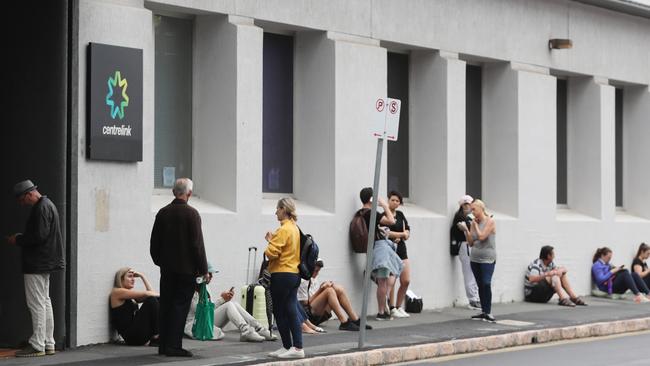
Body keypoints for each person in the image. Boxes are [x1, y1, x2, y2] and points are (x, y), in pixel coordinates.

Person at [150, 178, 208, 357]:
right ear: (189, 193)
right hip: (187, 270)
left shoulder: (162, 213)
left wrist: (161, 262)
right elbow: (197, 245)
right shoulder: (192, 214)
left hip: (167, 270)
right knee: (179, 307)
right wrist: (203, 269)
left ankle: (163, 345)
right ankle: (174, 346)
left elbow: (154, 244)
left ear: (173, 192)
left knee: (166, 305)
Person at [7, 180, 64, 357]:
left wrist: (18, 240)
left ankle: (37, 344)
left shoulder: (40, 209)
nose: (22, 204)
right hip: (46, 262)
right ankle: (48, 342)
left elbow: (38, 236)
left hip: (36, 263)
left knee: (36, 303)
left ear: (29, 194)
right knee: (44, 301)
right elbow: (42, 235)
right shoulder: (49, 205)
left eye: (22, 200)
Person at [184, 263, 275, 342]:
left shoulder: (206, 287)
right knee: (229, 305)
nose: (211, 277)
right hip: (195, 325)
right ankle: (246, 331)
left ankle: (258, 328)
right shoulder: (191, 290)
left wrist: (224, 299)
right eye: (210, 274)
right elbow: (199, 310)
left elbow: (209, 310)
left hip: (205, 321)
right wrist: (222, 300)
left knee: (234, 303)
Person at [264, 198, 304, 359]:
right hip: (294, 273)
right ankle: (292, 346)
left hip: (282, 273)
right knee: (291, 308)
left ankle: (292, 346)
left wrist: (269, 241)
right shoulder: (295, 228)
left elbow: (272, 252)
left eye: (277, 209)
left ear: (284, 209)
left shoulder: (284, 230)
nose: (276, 212)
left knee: (280, 311)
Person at [358, 187, 403, 321]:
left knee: (395, 270)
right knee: (384, 280)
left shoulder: (361, 212)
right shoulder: (371, 213)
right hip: (380, 249)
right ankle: (381, 312)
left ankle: (383, 301)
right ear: (371, 199)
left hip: (376, 248)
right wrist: (384, 205)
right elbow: (391, 221)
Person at [298, 258, 371, 331]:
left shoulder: (314, 278)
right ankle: (344, 322)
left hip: (316, 312)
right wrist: (321, 289)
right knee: (329, 291)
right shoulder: (303, 280)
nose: (317, 274)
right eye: (316, 271)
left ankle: (355, 319)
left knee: (338, 288)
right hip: (307, 317)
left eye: (318, 271)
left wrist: (325, 286)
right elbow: (306, 304)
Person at [458, 199, 496, 322]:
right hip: (475, 258)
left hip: (488, 258)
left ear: (481, 209)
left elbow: (482, 237)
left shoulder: (490, 221)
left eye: (474, 209)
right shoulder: (474, 222)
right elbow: (471, 242)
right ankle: (483, 311)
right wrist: (466, 230)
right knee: (480, 284)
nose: (472, 212)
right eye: (471, 209)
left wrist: (474, 225)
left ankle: (488, 311)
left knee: (486, 283)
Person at [109, 268, 160, 346]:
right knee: (151, 299)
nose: (133, 279)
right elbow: (149, 295)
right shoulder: (117, 292)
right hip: (132, 336)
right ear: (121, 279)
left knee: (154, 300)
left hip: (136, 333)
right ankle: (157, 336)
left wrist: (142, 276)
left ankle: (157, 336)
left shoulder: (129, 296)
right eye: (130, 276)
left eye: (133, 277)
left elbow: (152, 295)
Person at [450, 195, 481, 310]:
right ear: (462, 205)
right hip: (465, 245)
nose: (469, 206)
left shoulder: (471, 217)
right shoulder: (461, 218)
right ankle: (473, 299)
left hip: (473, 246)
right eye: (466, 204)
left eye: (470, 204)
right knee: (469, 273)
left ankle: (476, 297)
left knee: (475, 273)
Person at [386, 191, 411, 318]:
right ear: (388, 200)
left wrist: (406, 234)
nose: (395, 202)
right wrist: (399, 235)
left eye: (397, 201)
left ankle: (399, 306)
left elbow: (407, 228)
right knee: (392, 280)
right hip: (390, 249)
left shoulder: (400, 214)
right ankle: (391, 307)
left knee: (406, 280)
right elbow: (386, 232)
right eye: (393, 200)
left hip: (401, 249)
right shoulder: (384, 214)